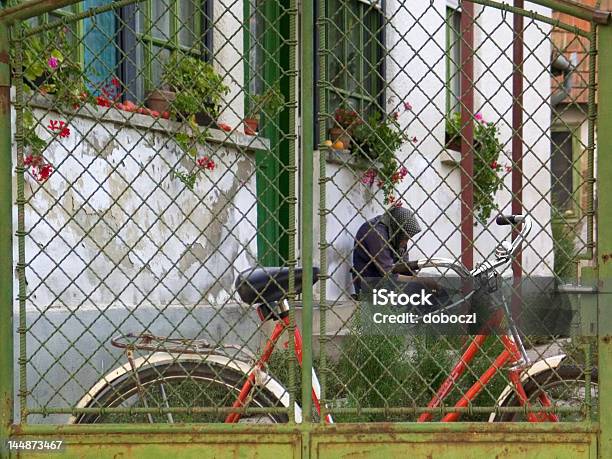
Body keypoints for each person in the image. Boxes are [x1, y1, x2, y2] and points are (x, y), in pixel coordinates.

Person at [351, 206, 422, 295]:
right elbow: (387, 273)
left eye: (408, 238)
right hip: (370, 283)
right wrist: (420, 281)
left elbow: (404, 266)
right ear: (398, 229)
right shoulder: (375, 233)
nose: (406, 242)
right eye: (406, 238)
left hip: (388, 283)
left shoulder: (396, 233)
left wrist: (418, 278)